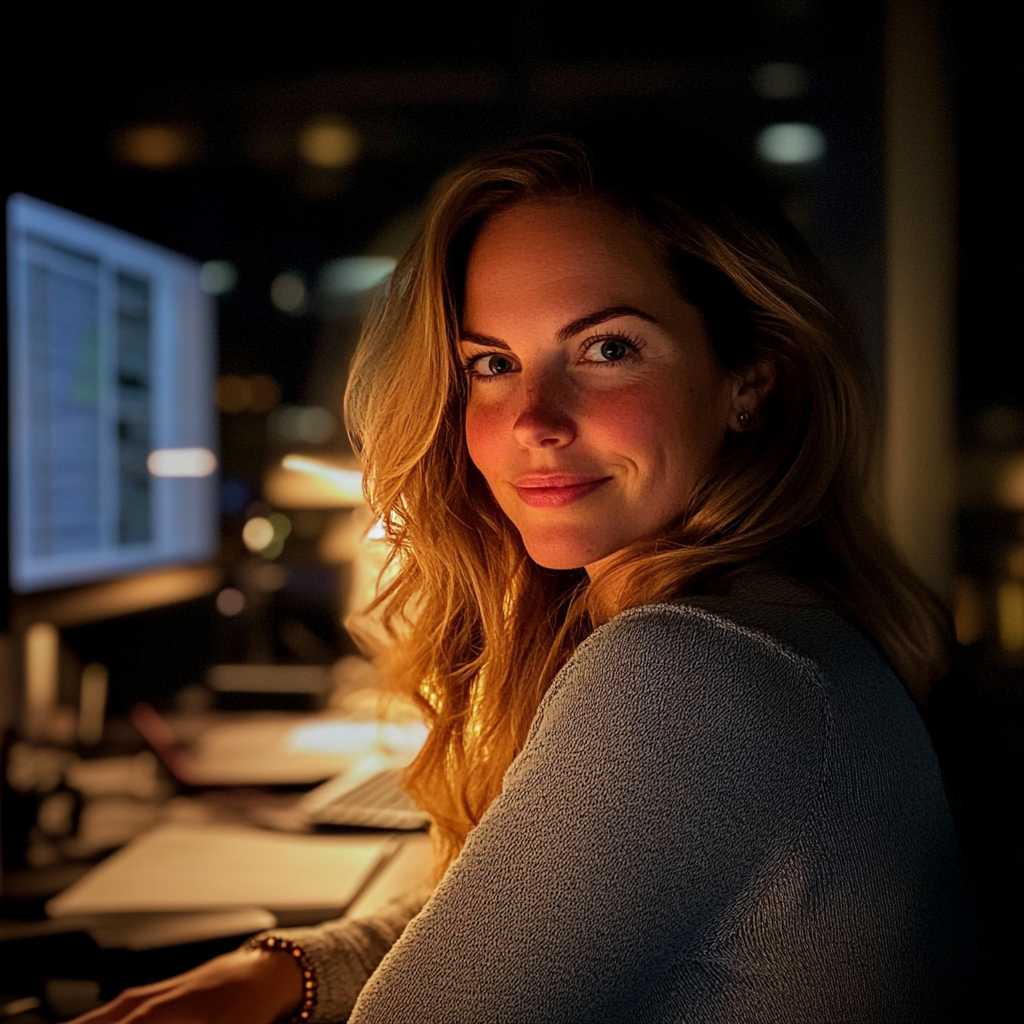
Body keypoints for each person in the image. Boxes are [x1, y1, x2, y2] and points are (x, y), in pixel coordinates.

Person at [73, 132, 997, 1024]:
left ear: (748, 380)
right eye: (492, 364)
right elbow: (544, 922)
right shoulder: (779, 622)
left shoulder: (692, 673)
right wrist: (287, 966)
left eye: (608, 349)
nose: (533, 421)